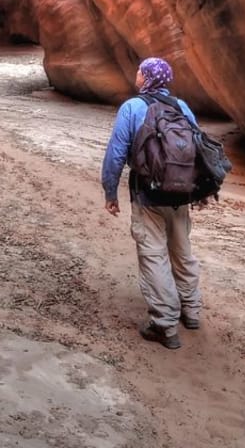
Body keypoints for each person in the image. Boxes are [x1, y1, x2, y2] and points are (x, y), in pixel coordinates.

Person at [101, 57, 203, 350]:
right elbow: (198, 147)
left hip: (147, 193)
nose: (137, 75)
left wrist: (110, 192)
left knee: (153, 253)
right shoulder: (181, 107)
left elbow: (116, 154)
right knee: (182, 249)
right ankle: (191, 310)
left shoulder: (132, 108)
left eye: (140, 71)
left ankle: (165, 324)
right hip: (181, 192)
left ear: (146, 77)